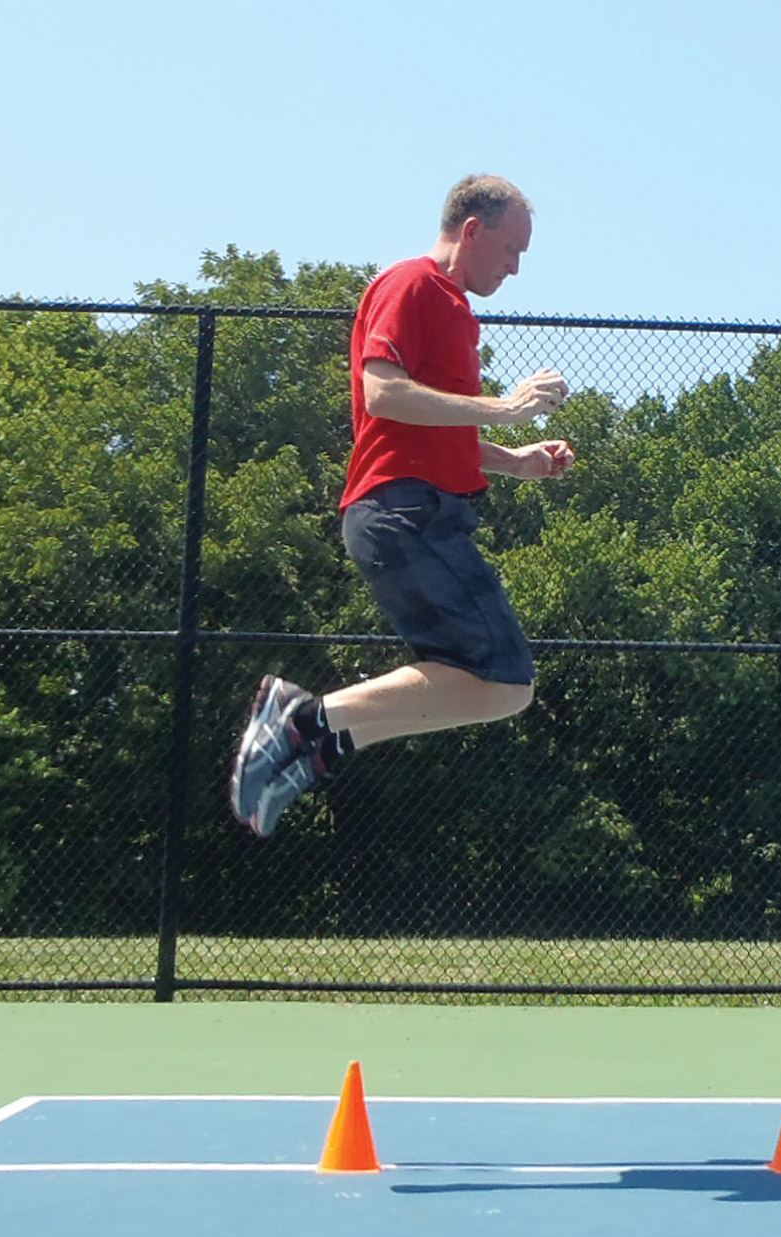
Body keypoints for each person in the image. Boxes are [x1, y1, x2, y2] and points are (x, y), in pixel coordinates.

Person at [230, 173, 575, 838]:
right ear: (471, 230)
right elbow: (383, 393)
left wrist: (517, 461)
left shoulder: (453, 310)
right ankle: (304, 723)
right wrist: (504, 409)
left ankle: (321, 742)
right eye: (512, 249)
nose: (516, 266)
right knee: (504, 677)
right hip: (404, 513)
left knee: (495, 684)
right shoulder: (411, 284)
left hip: (417, 511)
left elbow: (429, 429)